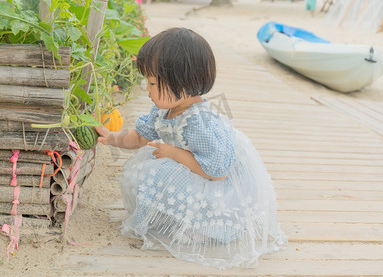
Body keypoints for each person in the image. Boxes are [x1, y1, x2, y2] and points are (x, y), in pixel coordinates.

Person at [95, 27, 287, 269]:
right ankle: (176, 216)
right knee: (145, 169)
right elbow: (140, 137)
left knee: (158, 170)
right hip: (195, 167)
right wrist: (112, 138)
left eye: (152, 82)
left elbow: (218, 171)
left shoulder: (199, 124)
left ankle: (206, 227)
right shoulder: (165, 109)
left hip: (216, 182)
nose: (147, 89)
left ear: (182, 83)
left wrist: (173, 153)